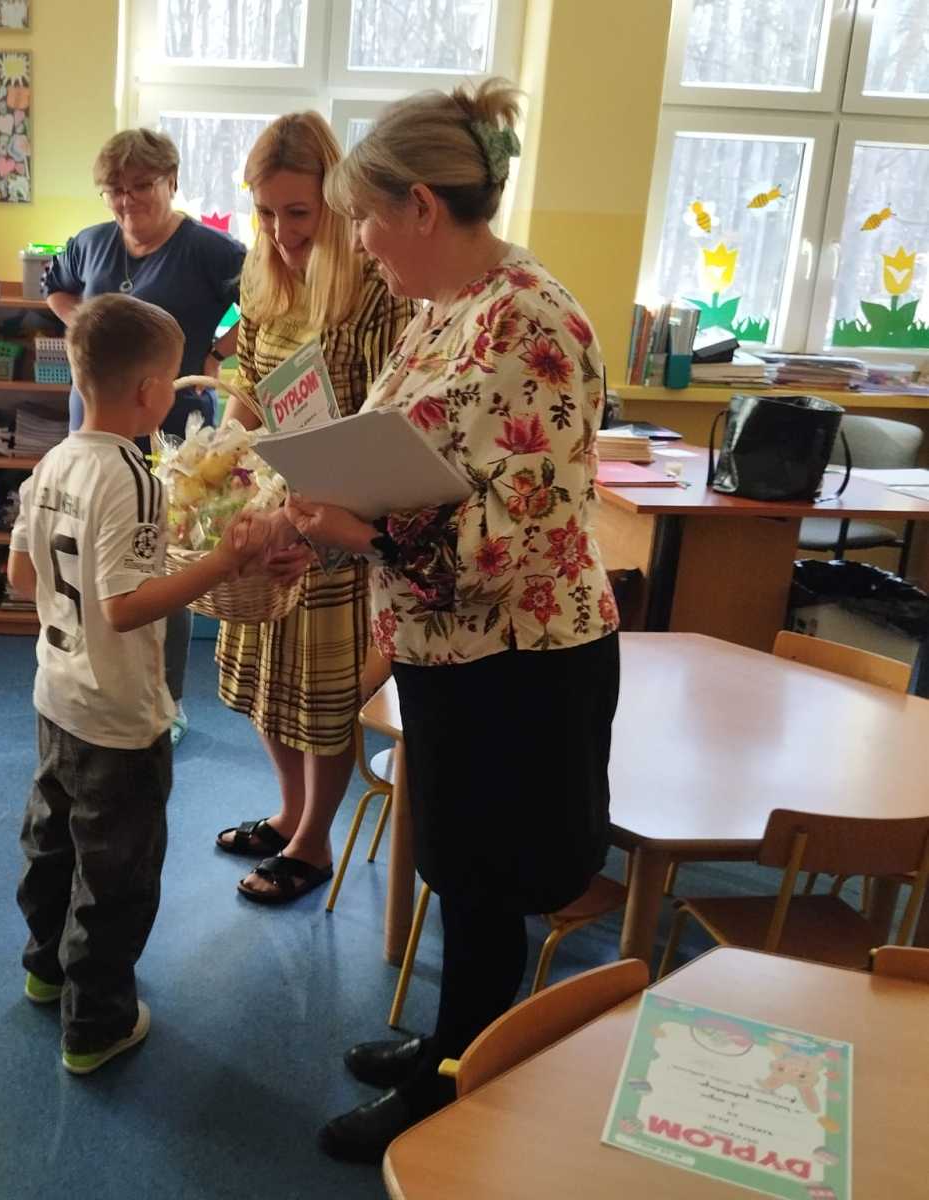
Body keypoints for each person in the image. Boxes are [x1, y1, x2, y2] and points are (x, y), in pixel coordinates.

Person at [268, 79, 622, 1161]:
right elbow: (423, 462)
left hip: (521, 658)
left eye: (365, 219)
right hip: (449, 647)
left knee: (488, 882)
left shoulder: (531, 319)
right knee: (461, 870)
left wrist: (362, 533)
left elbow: (517, 539)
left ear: (420, 206)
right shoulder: (444, 308)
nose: (358, 242)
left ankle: (457, 1087)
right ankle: (448, 1048)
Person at [5, 294, 273, 1075]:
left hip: (56, 695)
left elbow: (22, 576)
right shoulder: (133, 476)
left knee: (52, 843)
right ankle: (97, 1025)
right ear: (153, 391)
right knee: (116, 873)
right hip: (119, 716)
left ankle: (45, 969)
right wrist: (222, 563)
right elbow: (124, 607)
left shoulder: (54, 461)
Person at [210, 112, 415, 905]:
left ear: (335, 202)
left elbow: (384, 422)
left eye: (298, 212)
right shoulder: (263, 279)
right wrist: (221, 460)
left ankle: (314, 839)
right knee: (268, 682)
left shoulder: (372, 290)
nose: (280, 231)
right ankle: (289, 810)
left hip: (333, 521)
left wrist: (315, 515)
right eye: (265, 212)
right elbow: (247, 388)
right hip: (271, 513)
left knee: (322, 696)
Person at [44, 128, 248, 746]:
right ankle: (90, 678)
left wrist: (216, 353)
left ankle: (167, 695)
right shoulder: (90, 243)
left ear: (172, 182)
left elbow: (262, 306)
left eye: (141, 186)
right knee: (91, 551)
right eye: (115, 189)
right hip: (94, 422)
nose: (127, 200)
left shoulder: (211, 250)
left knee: (160, 560)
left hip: (173, 427)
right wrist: (87, 332)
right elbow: (55, 286)